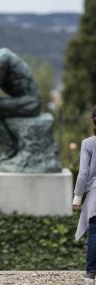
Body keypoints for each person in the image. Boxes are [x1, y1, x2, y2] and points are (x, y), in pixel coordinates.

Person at [72, 105, 96, 284]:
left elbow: (83, 175)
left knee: (95, 231)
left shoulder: (88, 144)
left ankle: (90, 274)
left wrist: (77, 197)